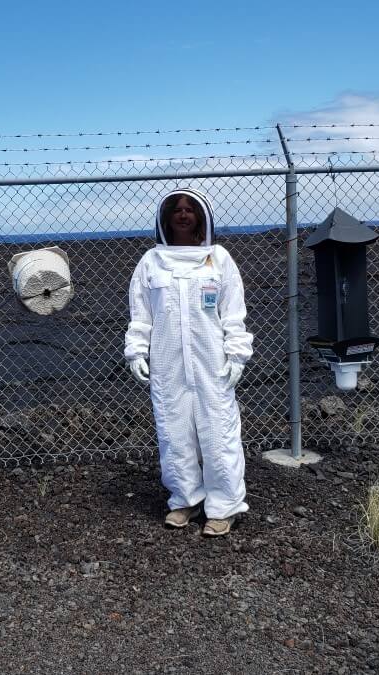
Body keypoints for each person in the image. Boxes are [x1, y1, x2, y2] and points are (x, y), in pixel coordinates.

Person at [124, 188, 253, 537]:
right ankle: (184, 499)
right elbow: (141, 313)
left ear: (201, 216)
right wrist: (137, 349)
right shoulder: (151, 262)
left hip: (211, 363)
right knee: (173, 433)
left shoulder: (219, 259)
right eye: (176, 210)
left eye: (189, 210)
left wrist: (236, 354)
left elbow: (233, 313)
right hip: (168, 363)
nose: (183, 215)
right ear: (166, 219)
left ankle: (224, 507)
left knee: (219, 433)